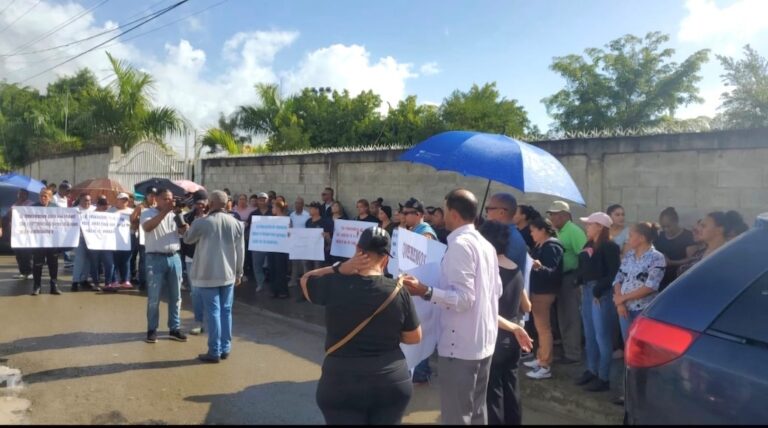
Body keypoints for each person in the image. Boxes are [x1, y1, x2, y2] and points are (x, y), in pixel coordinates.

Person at [301, 227, 422, 425]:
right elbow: (414, 337)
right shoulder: (398, 291)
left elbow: (305, 280)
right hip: (390, 381)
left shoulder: (334, 283)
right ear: (386, 259)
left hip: (341, 381)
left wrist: (339, 268)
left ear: (357, 249)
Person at [402, 189, 502, 425]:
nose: (442, 216)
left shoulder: (461, 245)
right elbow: (495, 290)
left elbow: (465, 298)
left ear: (454, 214)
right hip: (483, 343)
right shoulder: (485, 244)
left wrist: (425, 291)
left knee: (458, 416)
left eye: (445, 210)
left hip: (461, 347)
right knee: (477, 412)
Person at [480, 220, 533, 426]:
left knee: (493, 393)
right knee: (511, 388)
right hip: (514, 337)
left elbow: (487, 311)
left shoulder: (490, 270)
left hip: (496, 336)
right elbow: (527, 306)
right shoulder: (516, 268)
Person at [181, 190, 244, 363]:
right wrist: (239, 272)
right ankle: (225, 348)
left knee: (214, 312)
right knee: (226, 311)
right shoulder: (237, 223)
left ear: (211, 203)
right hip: (229, 274)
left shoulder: (202, 222)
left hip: (208, 273)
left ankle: (214, 351)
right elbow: (241, 251)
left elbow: (187, 239)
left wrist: (186, 227)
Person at [574, 212, 621, 392]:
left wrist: (598, 288)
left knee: (602, 336)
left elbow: (613, 273)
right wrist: (578, 279)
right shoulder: (589, 244)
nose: (587, 227)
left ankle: (604, 377)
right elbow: (584, 268)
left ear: (600, 227)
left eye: (590, 224)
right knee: (590, 334)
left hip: (601, 294)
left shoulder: (609, 246)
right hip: (588, 291)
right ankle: (591, 370)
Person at [141, 189, 187, 344]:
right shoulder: (148, 212)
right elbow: (147, 227)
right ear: (157, 199)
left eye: (171, 199)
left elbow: (183, 232)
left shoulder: (175, 213)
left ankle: (174, 328)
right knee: (154, 297)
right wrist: (165, 212)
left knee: (176, 296)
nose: (169, 201)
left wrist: (181, 219)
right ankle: (152, 329)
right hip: (155, 258)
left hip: (174, 257)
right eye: (165, 199)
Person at [401, 197, 437, 384]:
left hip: (422, 291)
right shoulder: (413, 231)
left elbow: (424, 258)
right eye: (404, 212)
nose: (404, 216)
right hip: (414, 289)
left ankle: (422, 372)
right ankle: (418, 369)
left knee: (422, 331)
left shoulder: (426, 233)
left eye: (408, 213)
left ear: (420, 215)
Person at [523, 217, 565, 380]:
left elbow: (554, 272)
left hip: (544, 292)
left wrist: (539, 267)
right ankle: (540, 357)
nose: (531, 234)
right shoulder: (540, 245)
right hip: (537, 290)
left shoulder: (552, 247)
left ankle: (545, 364)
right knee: (540, 327)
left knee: (544, 328)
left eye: (533, 230)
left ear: (542, 230)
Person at [546, 200, 586, 365]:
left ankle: (573, 354)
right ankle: (568, 349)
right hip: (560, 278)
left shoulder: (574, 231)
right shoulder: (559, 231)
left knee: (570, 316)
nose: (552, 217)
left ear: (565, 215)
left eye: (554, 214)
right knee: (563, 315)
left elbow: (584, 255)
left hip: (571, 278)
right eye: (551, 214)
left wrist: (579, 278)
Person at [181, 190, 209, 335]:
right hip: (191, 257)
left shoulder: (212, 217)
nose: (201, 206)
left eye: (203, 203)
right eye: (198, 203)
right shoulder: (187, 217)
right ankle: (199, 321)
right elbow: (183, 237)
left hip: (208, 258)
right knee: (195, 291)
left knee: (208, 290)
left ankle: (210, 319)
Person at [485, 193, 529, 272]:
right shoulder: (506, 234)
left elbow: (497, 272)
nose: (486, 213)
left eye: (488, 208)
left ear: (501, 212)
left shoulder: (510, 239)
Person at [30, 189, 62, 295]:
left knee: (53, 264)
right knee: (37, 264)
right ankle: (37, 286)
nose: (43, 198)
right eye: (41, 196)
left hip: (52, 241)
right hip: (38, 241)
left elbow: (63, 222)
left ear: (50, 197)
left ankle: (54, 286)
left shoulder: (56, 208)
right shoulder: (32, 207)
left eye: (45, 196)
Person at [677, 212, 730, 276]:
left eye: (703, 226)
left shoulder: (727, 255)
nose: (698, 229)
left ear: (719, 230)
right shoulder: (699, 253)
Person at [655, 207, 695, 290]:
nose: (666, 229)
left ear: (676, 222)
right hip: (659, 279)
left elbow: (692, 260)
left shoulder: (688, 236)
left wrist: (671, 262)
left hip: (678, 279)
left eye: (669, 226)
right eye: (663, 227)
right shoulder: (660, 236)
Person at [131, 188, 158, 292]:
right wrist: (139, 220)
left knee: (154, 259)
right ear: (147, 196)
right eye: (151, 195)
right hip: (143, 237)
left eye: (155, 196)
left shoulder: (158, 207)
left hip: (155, 237)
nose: (153, 198)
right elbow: (132, 219)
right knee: (143, 260)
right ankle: (143, 282)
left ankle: (152, 280)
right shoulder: (140, 207)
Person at [108, 193, 135, 290]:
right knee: (114, 260)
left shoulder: (132, 211)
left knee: (126, 260)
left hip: (128, 238)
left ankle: (126, 280)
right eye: (122, 199)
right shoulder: (110, 211)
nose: (124, 201)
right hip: (113, 238)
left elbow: (135, 224)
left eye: (126, 200)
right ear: (117, 200)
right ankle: (114, 280)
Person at [246, 192, 271, 292]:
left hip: (270, 244)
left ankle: (270, 283)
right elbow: (247, 226)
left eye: (264, 199)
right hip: (257, 244)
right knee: (257, 265)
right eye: (260, 199)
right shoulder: (253, 214)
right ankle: (260, 283)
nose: (262, 201)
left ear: (267, 200)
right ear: (257, 201)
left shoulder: (272, 212)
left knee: (271, 264)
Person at [71, 194, 96, 292]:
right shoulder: (74, 210)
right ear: (80, 200)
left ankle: (84, 280)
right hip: (80, 238)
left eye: (89, 200)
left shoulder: (95, 209)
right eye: (85, 200)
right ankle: (75, 281)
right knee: (79, 260)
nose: (87, 202)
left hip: (91, 239)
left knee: (88, 261)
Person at [90, 196, 115, 290]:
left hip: (106, 244)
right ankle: (96, 283)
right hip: (94, 244)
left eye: (107, 207)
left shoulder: (110, 215)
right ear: (98, 206)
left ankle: (107, 283)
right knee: (94, 264)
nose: (106, 209)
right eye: (104, 207)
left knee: (110, 264)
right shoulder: (90, 215)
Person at [268, 200, 291, 299]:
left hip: (281, 248)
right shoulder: (271, 220)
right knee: (272, 268)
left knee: (281, 270)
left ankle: (283, 291)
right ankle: (274, 290)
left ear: (278, 208)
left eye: (273, 207)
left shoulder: (286, 219)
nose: (272, 209)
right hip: (272, 247)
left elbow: (290, 233)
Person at [10, 189, 35, 280]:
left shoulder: (31, 204)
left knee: (27, 254)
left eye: (23, 194)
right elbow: (10, 216)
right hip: (16, 234)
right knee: (18, 254)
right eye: (19, 194)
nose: (21, 196)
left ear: (27, 195)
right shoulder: (14, 204)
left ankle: (29, 272)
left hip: (26, 234)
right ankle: (22, 272)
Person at [288, 197, 311, 289]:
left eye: (299, 203)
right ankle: (293, 281)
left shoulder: (307, 215)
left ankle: (306, 282)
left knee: (305, 263)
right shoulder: (292, 215)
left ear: (302, 204)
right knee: (294, 262)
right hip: (294, 242)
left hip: (304, 242)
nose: (297, 205)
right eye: (296, 203)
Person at [305, 202, 333, 271]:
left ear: (317, 210)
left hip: (319, 252)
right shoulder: (308, 222)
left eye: (311, 208)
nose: (309, 210)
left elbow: (329, 240)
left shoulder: (324, 222)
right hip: (308, 250)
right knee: (306, 267)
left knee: (317, 269)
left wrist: (326, 236)